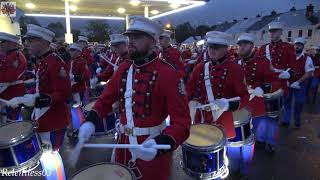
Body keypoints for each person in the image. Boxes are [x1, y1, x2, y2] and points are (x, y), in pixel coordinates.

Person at [77, 16, 191, 180]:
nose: (130, 41)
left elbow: (182, 123)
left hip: (151, 150)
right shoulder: (124, 68)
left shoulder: (168, 74)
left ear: (153, 41)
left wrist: (159, 144)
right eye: (129, 37)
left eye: (136, 37)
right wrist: (91, 121)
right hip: (123, 145)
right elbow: (105, 101)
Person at [22, 24, 71, 151]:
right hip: (42, 117)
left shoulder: (55, 62)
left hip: (53, 119)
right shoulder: (43, 61)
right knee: (43, 154)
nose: (27, 44)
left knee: (51, 156)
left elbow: (63, 93)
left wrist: (39, 100)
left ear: (44, 42)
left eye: (31, 41)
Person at [236, 33, 282, 157]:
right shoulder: (237, 63)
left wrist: (264, 87)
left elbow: (276, 81)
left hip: (260, 101)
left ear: (252, 46)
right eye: (240, 45)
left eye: (245, 44)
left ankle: (268, 142)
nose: (241, 47)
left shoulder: (263, 62)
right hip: (244, 102)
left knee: (265, 125)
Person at [283, 37, 314, 128]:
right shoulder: (288, 57)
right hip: (288, 84)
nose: (297, 47)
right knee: (286, 102)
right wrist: (285, 80)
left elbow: (309, 72)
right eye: (296, 45)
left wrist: (298, 82)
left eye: (299, 45)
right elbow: (284, 69)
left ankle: (297, 120)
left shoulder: (307, 58)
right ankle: (286, 120)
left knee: (299, 102)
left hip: (300, 84)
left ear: (302, 47)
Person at [258, 22, 296, 98]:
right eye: (270, 31)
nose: (272, 33)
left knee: (280, 106)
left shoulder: (288, 47)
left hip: (281, 81)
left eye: (275, 31)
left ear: (281, 32)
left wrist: (288, 74)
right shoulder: (263, 48)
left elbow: (294, 66)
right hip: (266, 83)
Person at [0, 31, 27, 122]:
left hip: (12, 93)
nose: (0, 45)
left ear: (9, 43)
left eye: (2, 42)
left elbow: (10, 77)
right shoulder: (10, 55)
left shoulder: (15, 56)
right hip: (8, 92)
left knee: (11, 122)